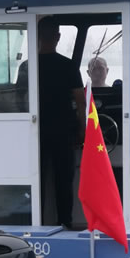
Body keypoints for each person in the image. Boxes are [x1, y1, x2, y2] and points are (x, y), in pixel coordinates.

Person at [36, 16, 86, 228]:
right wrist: (83, 129)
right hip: (63, 131)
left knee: (36, 180)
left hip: (36, 133)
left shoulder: (28, 67)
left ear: (38, 36)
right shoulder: (68, 66)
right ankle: (65, 222)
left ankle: (36, 222)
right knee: (64, 180)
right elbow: (80, 101)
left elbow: (20, 100)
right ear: (58, 37)